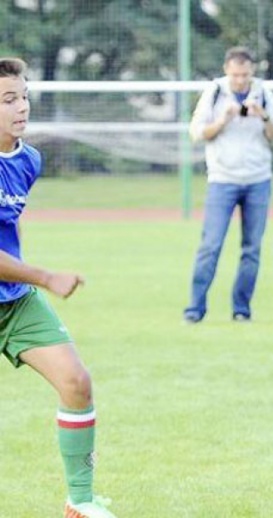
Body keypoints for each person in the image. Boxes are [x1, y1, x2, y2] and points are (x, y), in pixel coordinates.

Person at [0, 58, 116, 518]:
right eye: (9, 100)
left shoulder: (28, 159)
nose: (22, 107)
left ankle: (80, 502)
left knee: (76, 382)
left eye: (24, 96)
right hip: (25, 284)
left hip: (13, 301)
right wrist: (46, 277)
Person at [183, 46, 273, 324]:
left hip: (258, 180)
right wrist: (223, 119)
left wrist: (262, 115)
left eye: (245, 75)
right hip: (222, 180)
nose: (240, 80)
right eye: (236, 75)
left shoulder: (263, 92)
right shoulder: (214, 92)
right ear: (227, 70)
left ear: (252, 72)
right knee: (210, 245)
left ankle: (242, 309)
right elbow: (197, 133)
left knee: (251, 249)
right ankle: (195, 309)